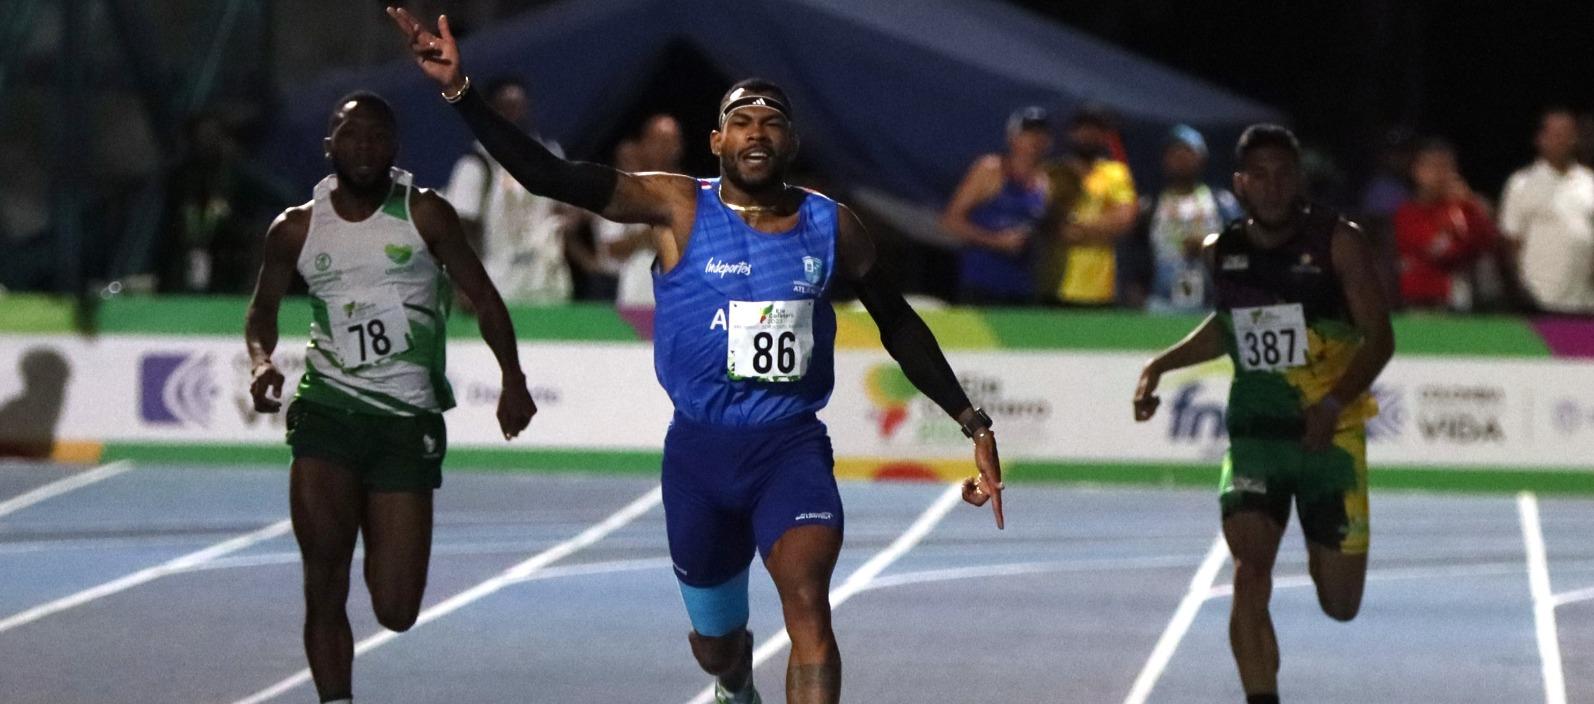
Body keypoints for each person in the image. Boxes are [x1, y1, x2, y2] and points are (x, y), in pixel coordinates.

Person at [387, 9, 1005, 704]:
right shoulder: (677, 205)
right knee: (716, 645)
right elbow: (548, 177)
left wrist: (972, 421)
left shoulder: (834, 227)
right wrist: (460, 90)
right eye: (742, 119)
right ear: (716, 140)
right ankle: (734, 687)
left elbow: (899, 322)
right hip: (700, 457)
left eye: (773, 121)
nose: (758, 131)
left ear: (793, 140)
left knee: (808, 608)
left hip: (790, 450)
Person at [244, 91, 537, 704]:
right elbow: (262, 312)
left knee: (397, 608)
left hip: (407, 425)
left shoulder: (426, 214)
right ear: (330, 144)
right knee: (323, 582)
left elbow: (484, 297)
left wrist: (512, 378)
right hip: (327, 415)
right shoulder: (296, 227)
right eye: (351, 135)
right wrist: (262, 362)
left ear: (394, 146)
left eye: (377, 136)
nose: (364, 148)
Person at [1132, 125, 1394, 704]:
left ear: (1298, 179)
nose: (1273, 187)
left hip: (1331, 441)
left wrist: (1331, 403)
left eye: (1284, 174)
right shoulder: (1221, 252)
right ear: (1240, 184)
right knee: (1250, 574)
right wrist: (1160, 365)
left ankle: (1319, 538)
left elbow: (1380, 339)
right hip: (1256, 436)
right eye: (1260, 176)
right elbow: (1228, 331)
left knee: (1341, 604)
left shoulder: (1338, 243)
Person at [441, 76, 575, 304]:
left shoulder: (549, 155)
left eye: (519, 107)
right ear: (491, 112)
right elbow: (460, 229)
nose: (514, 115)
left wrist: (563, 225)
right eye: (505, 107)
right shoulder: (476, 165)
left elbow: (569, 209)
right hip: (498, 283)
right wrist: (466, 284)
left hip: (547, 284)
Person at [939, 107, 1052, 305]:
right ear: (1013, 138)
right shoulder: (990, 169)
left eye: (1040, 133)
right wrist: (996, 241)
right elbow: (950, 220)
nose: (1035, 139)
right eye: (1028, 133)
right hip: (982, 284)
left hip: (1021, 287)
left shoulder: (1044, 182)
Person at [1498, 108, 1594, 314]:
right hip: (1539, 302)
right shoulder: (1521, 184)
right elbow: (1510, 242)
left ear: (1575, 139)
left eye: (1566, 134)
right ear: (1540, 139)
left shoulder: (1589, 182)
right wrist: (1521, 293)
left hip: (1585, 302)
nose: (1560, 140)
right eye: (1554, 134)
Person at [1142, 125, 1243, 313]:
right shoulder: (1150, 204)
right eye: (1174, 152)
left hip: (1210, 302)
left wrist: (1209, 248)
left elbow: (1242, 245)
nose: (1180, 158)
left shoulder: (1222, 202)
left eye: (1188, 152)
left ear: (1201, 158)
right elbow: (1135, 252)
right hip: (1161, 303)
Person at [1393, 138, 1500, 311]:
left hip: (1462, 301)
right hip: (1422, 302)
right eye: (1435, 167)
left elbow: (1487, 243)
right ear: (1417, 171)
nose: (1442, 175)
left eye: (1448, 167)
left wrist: (1471, 207)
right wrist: (1459, 240)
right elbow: (1438, 251)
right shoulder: (1407, 214)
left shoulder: (1461, 208)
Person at [1051, 107, 1137, 306]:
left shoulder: (1116, 173)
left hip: (1100, 289)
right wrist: (1103, 224)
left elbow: (1124, 219)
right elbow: (1050, 224)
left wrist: (1076, 225)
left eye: (1095, 129)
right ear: (1070, 133)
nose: (1088, 135)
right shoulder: (1054, 172)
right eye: (1082, 128)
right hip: (1056, 284)